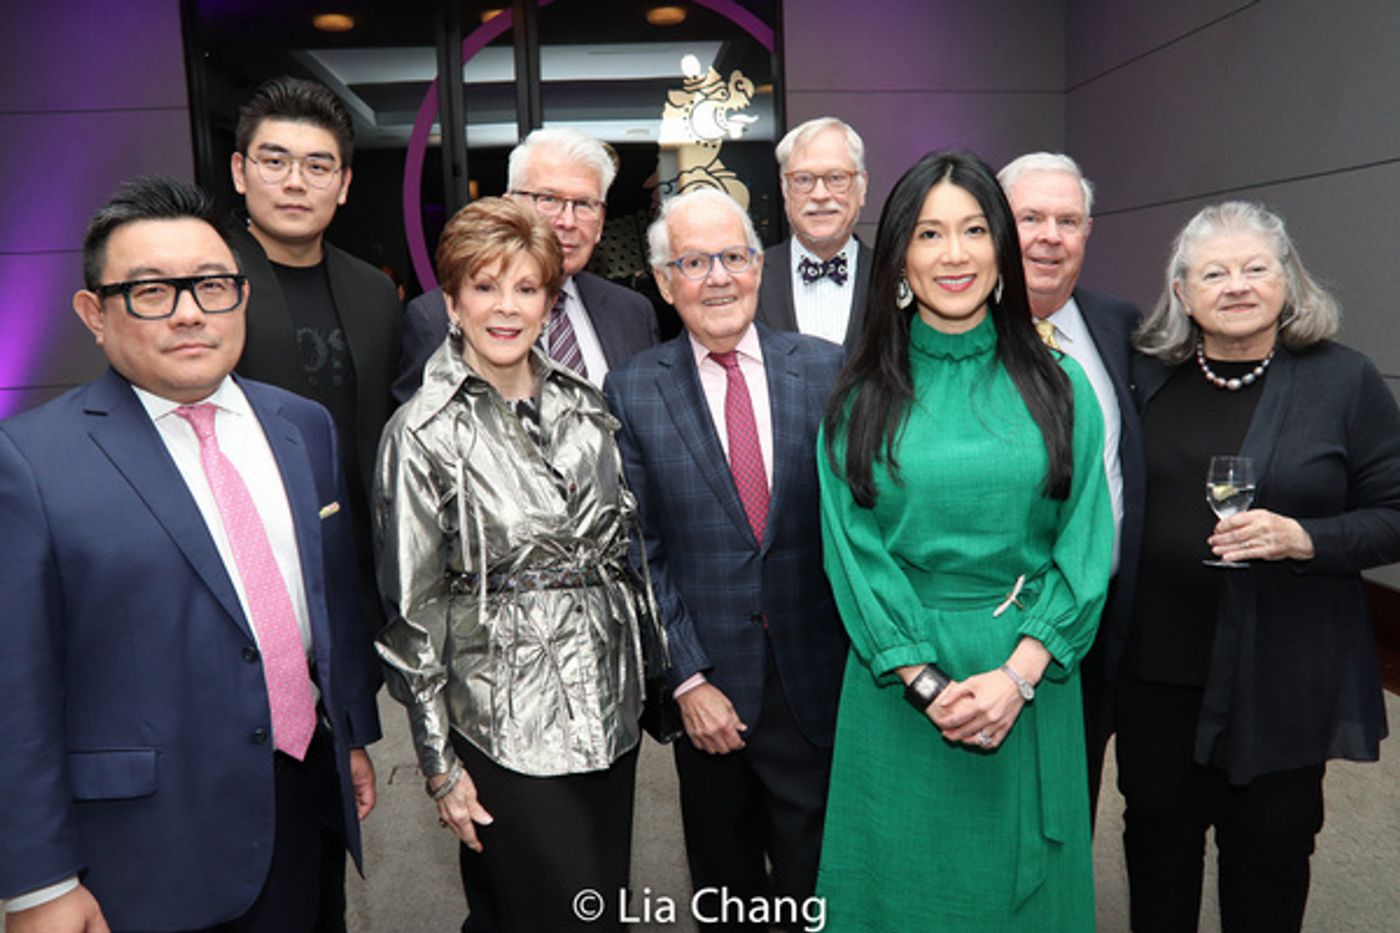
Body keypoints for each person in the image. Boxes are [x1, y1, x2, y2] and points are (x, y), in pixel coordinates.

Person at [0, 176, 381, 932]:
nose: (188, 312)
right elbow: (15, 689)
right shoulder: (29, 460)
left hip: (305, 803)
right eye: (150, 291)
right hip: (147, 848)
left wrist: (354, 735)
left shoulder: (302, 425)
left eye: (210, 285)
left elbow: (328, 598)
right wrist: (37, 882)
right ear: (94, 314)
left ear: (239, 295)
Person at [815, 150, 1113, 932]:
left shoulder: (1060, 383)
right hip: (901, 689)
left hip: (1031, 677)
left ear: (1001, 250)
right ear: (901, 261)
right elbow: (853, 552)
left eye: (976, 229)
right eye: (929, 233)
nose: (955, 254)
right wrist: (927, 683)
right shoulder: (860, 394)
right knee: (895, 899)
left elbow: (1084, 543)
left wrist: (1017, 675)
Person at [373, 197, 653, 933]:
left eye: (527, 288)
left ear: (549, 301)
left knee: (598, 909)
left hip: (607, 708)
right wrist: (439, 762)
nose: (507, 307)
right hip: (503, 720)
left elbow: (625, 551)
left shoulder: (586, 407)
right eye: (486, 286)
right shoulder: (421, 433)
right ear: (452, 300)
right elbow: (412, 611)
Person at [1119, 201, 1400, 933]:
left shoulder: (1343, 380)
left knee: (1269, 859)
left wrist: (1305, 538)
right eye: (1214, 271)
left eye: (1256, 267)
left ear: (1288, 279)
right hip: (1158, 674)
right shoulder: (1145, 375)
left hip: (1282, 673)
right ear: (1181, 292)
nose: (1237, 285)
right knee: (1157, 851)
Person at [604, 188, 848, 932]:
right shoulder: (634, 388)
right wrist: (687, 678)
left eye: (735, 257)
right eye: (694, 260)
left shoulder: (828, 369)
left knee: (821, 884)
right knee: (728, 888)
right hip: (712, 690)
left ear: (758, 268)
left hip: (817, 681)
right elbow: (636, 548)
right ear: (663, 278)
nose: (718, 277)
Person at [998, 151, 1143, 813]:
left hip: (1103, 616)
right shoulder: (951, 331)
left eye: (1068, 220)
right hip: (994, 617)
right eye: (1030, 218)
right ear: (996, 227)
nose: (1050, 235)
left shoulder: (1122, 326)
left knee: (1070, 794)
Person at [392, 127, 658, 402]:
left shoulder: (633, 313)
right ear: (510, 206)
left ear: (600, 222)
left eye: (583, 204)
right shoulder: (436, 317)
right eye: (549, 199)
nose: (567, 221)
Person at [756, 117, 873, 349]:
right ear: (784, 190)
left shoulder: (893, 275)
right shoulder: (749, 277)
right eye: (803, 180)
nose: (820, 195)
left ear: (862, 187)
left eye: (836, 178)